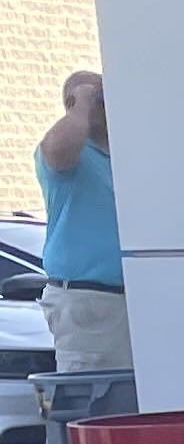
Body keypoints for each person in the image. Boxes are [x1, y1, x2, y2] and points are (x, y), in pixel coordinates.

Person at [33, 68, 122, 372]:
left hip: (128, 300)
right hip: (89, 301)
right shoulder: (71, 153)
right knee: (95, 401)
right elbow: (56, 150)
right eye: (101, 97)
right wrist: (82, 104)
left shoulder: (122, 156)